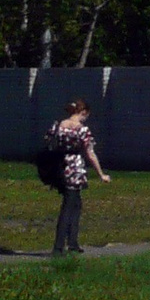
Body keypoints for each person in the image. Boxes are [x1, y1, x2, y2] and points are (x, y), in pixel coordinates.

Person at [45, 100, 107, 255]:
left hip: (60, 167)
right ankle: (58, 247)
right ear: (83, 112)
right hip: (75, 169)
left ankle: (73, 242)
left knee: (76, 204)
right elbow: (90, 153)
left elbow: (48, 140)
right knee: (68, 206)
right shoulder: (82, 130)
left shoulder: (58, 125)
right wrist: (101, 174)